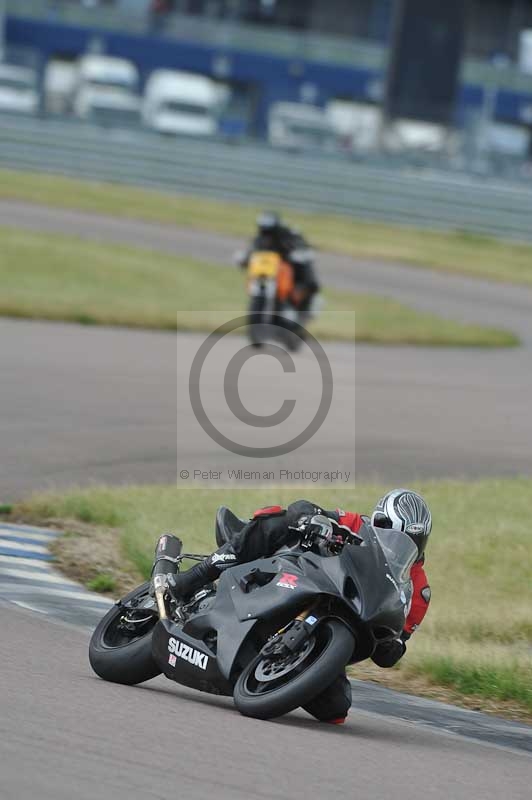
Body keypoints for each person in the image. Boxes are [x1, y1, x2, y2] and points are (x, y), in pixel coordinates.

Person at [152, 489, 432, 725]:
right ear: (378, 520)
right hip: (300, 575)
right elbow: (308, 510)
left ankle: (266, 667)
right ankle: (192, 579)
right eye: (388, 529)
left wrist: (394, 646)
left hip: (338, 622)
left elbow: (394, 646)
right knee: (279, 519)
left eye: (411, 540)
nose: (397, 543)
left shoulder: (418, 591)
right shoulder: (358, 525)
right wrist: (313, 518)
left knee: (336, 710)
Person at [238, 211, 320, 317]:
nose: (267, 235)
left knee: (305, 274)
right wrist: (245, 258)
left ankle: (300, 303)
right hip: (267, 271)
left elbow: (302, 247)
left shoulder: (288, 235)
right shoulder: (259, 240)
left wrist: (298, 253)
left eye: (270, 232)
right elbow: (251, 251)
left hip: (285, 268)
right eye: (264, 231)